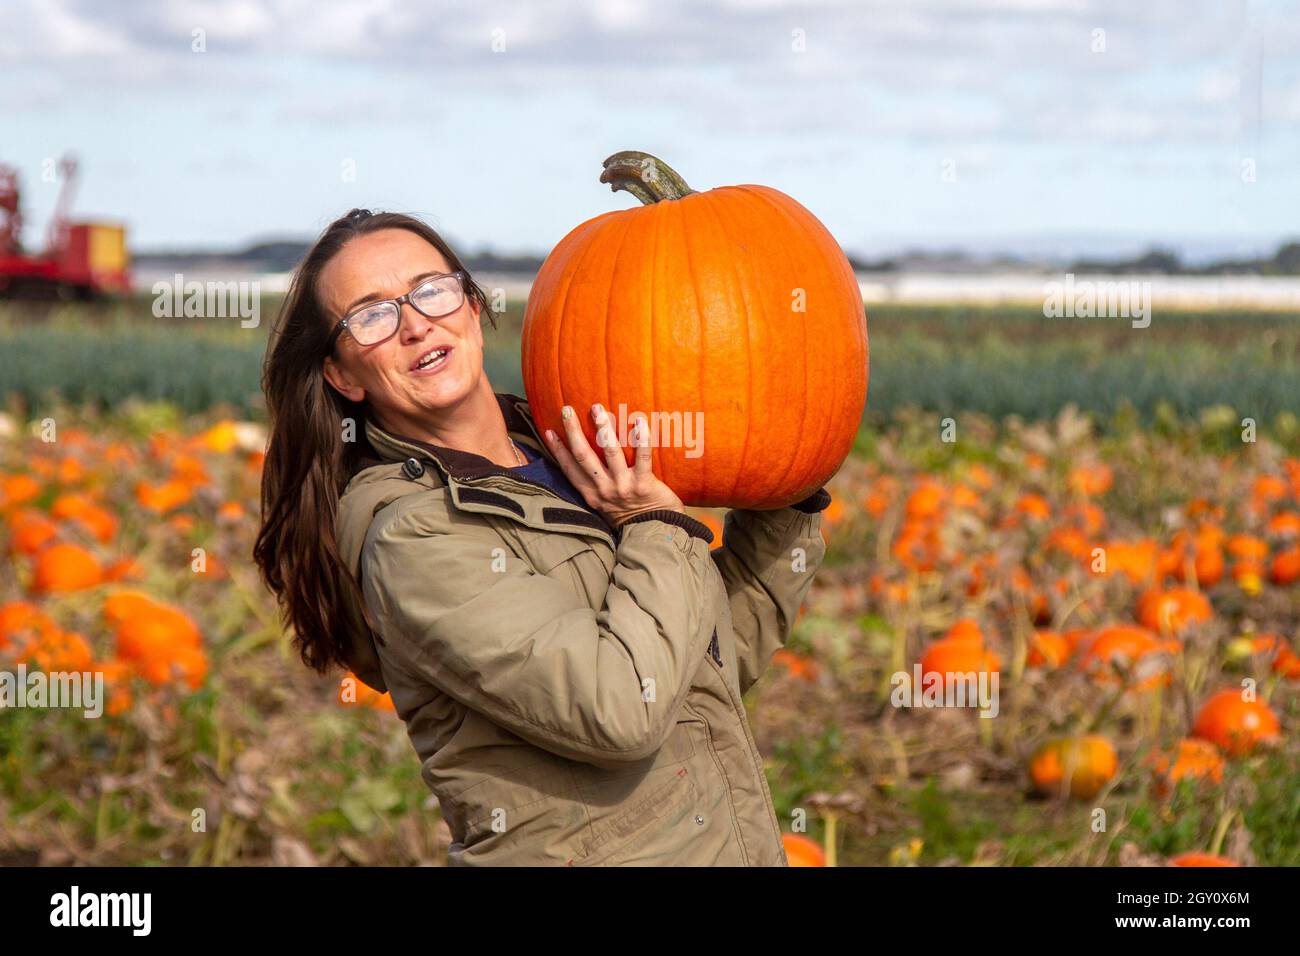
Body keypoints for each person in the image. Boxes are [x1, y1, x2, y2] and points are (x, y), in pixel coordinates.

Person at [253, 208, 832, 865]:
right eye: (372, 314)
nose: (415, 323)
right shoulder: (414, 538)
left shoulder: (571, 451)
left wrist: (788, 495)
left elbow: (696, 669)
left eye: (429, 290)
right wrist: (655, 526)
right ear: (343, 374)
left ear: (472, 304)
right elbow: (621, 710)